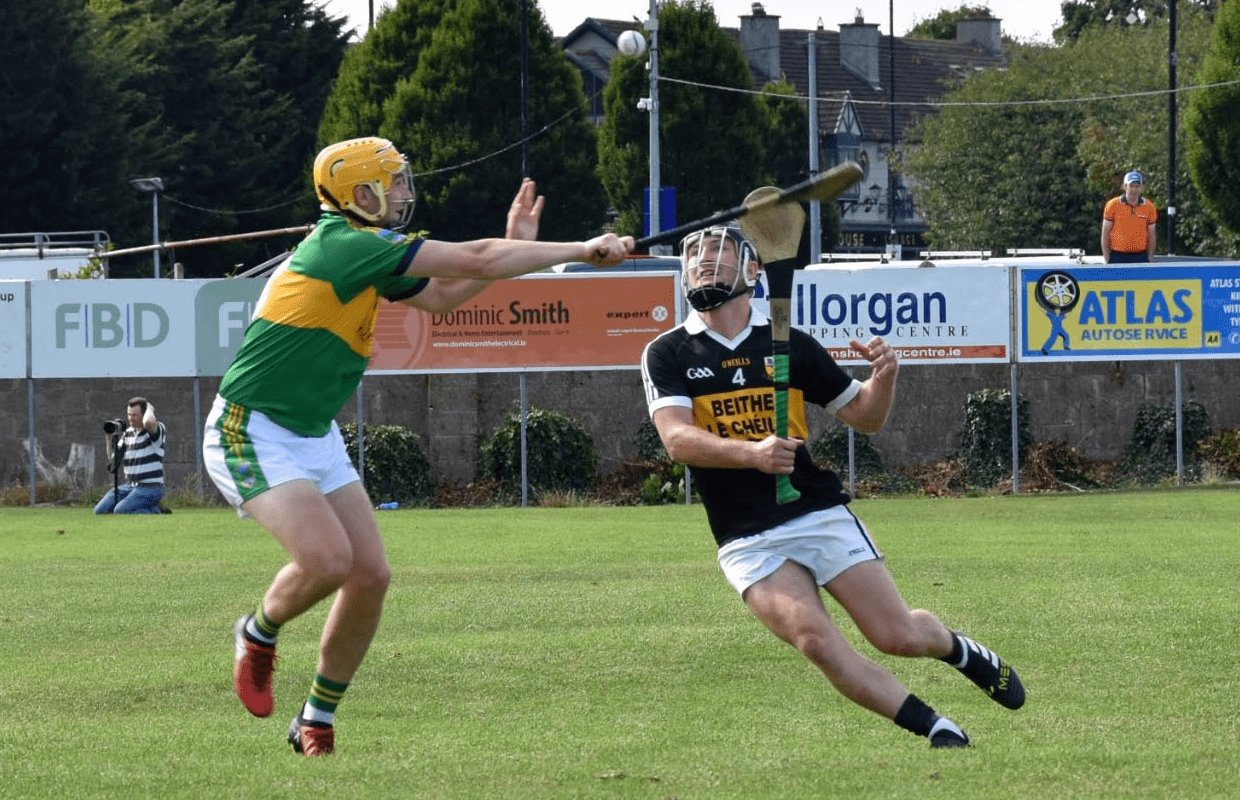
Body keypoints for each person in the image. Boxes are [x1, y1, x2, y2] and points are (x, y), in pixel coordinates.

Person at [203, 136, 633, 756]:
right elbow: (479, 258)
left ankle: (316, 719)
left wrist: (519, 246)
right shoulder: (346, 244)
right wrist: (582, 249)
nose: (404, 193)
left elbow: (440, 295)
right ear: (359, 196)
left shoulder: (367, 252)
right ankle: (258, 631)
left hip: (312, 432)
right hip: (252, 427)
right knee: (327, 561)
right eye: (393, 183)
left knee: (371, 575)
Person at [639, 224, 1024, 749]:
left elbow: (865, 417)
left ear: (753, 271)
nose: (703, 262)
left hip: (814, 511)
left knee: (896, 636)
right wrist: (751, 454)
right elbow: (677, 440)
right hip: (746, 535)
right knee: (816, 642)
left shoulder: (789, 343)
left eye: (718, 251)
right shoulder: (667, 353)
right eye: (695, 255)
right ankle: (936, 728)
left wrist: (883, 379)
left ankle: (957, 650)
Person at [93, 397, 167, 514]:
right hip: (130, 486)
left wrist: (149, 407)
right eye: (129, 414)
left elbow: (149, 422)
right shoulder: (128, 433)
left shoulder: (156, 429)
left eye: (135, 415)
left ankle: (156, 510)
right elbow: (113, 459)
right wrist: (109, 437)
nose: (130, 418)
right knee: (100, 510)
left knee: (120, 510)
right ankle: (139, 507)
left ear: (144, 414)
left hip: (150, 487)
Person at [1101, 170, 1157, 263]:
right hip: (1117, 256)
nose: (1134, 190)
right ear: (1124, 186)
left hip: (1140, 256)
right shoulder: (1112, 205)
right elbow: (1105, 232)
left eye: (1137, 186)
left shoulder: (1149, 207)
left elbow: (1152, 234)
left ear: (1142, 188)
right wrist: (1106, 256)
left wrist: (1150, 256)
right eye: (1131, 186)